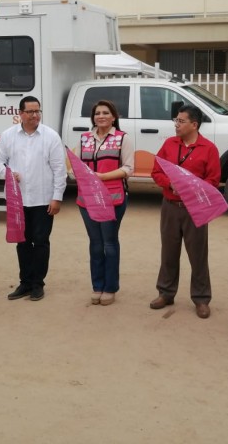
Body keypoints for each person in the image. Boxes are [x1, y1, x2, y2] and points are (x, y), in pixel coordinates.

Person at [149, 104, 220, 319]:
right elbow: (156, 171)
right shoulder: (169, 144)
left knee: (198, 254)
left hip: (195, 209)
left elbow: (213, 180)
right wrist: (169, 184)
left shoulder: (209, 148)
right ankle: (166, 293)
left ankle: (201, 298)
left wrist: (192, 188)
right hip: (170, 206)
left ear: (194, 124)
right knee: (168, 252)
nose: (176, 125)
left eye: (181, 121)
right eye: (176, 121)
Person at [0, 96, 66, 302]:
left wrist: (57, 198)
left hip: (43, 199)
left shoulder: (51, 136)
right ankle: (24, 283)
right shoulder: (8, 136)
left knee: (41, 242)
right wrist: (7, 172)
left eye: (37, 111)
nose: (35, 115)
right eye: (30, 112)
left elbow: (59, 169)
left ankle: (37, 284)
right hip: (18, 200)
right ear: (21, 113)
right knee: (22, 242)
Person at [76, 99, 134, 306]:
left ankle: (110, 287)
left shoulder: (122, 139)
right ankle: (97, 286)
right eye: (97, 113)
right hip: (87, 200)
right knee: (95, 243)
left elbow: (128, 168)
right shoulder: (84, 138)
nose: (101, 116)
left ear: (114, 117)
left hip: (112, 199)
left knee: (109, 243)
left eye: (105, 113)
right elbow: (77, 165)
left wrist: (102, 177)